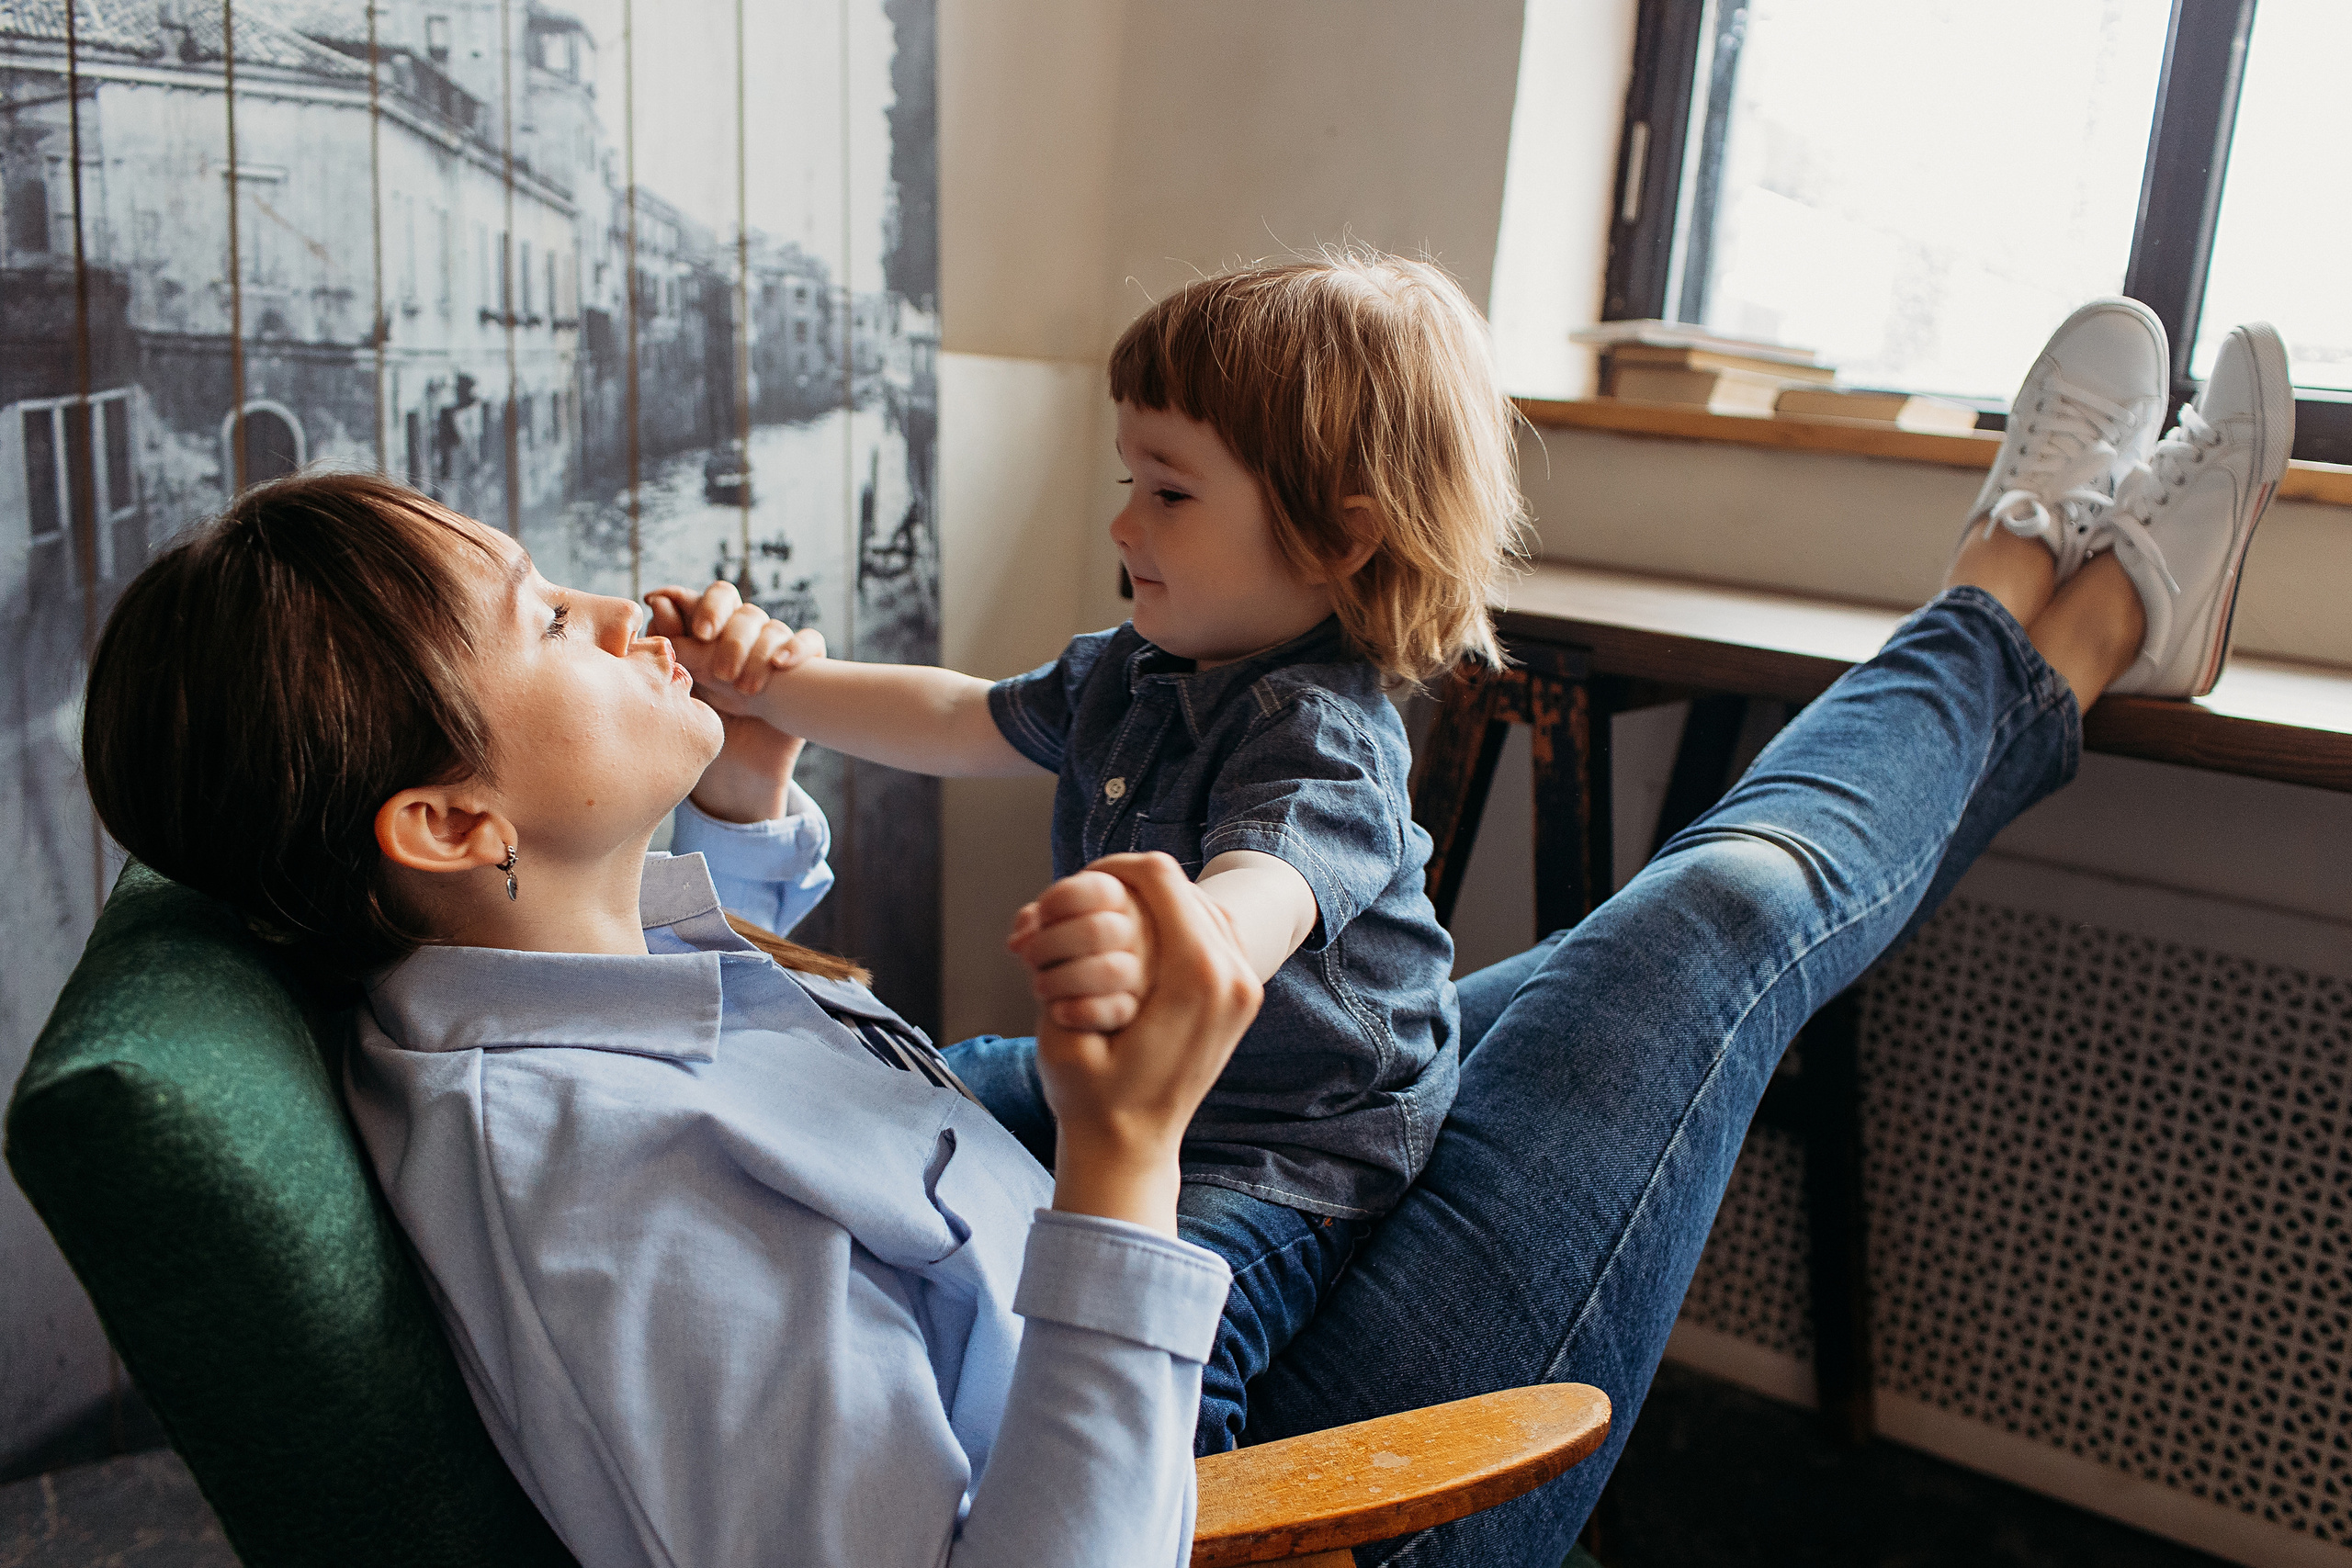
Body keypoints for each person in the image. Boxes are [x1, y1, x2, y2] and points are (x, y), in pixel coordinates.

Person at [74, 296, 2290, 1568]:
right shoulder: (610, 1205)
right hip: (1236, 1483)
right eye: (539, 616)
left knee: (1641, 938)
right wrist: (1127, 1154)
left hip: (1110, 1244)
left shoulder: (467, 985)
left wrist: (741, 777)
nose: (602, 596)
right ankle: (2052, 598)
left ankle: (2049, 580)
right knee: (1711, 913)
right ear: (447, 815)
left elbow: (674, 997)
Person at [653, 253, 1521, 1452]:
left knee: (1179, 1331)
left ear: (1339, 537)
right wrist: (773, 689)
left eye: (1170, 493)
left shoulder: (1321, 737)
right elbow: (960, 716)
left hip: (1285, 1136)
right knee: (900, 1087)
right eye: (1130, 479)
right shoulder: (1132, 669)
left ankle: (1187, 1506)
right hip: (1121, 1086)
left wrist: (1169, 937)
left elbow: (1261, 898)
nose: (1123, 523)